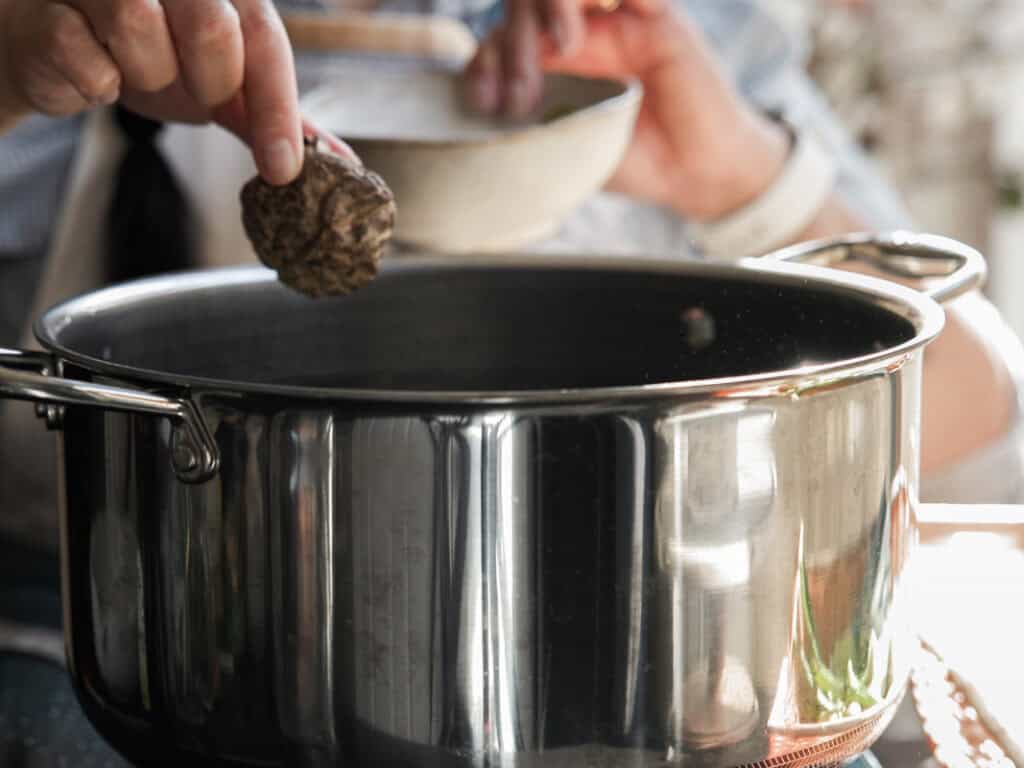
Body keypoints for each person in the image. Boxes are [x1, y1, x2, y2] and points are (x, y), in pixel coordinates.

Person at [0, 0, 1020, 555]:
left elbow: (979, 414)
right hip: (154, 619)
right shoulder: (79, 32)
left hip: (639, 632)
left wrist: (745, 176)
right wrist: (9, 76)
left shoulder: (667, 30)